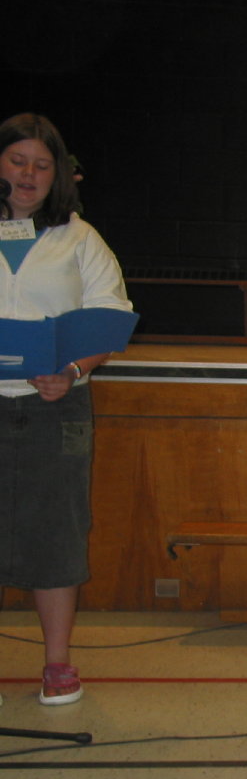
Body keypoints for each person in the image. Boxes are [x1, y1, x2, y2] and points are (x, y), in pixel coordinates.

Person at [0, 114, 133, 706]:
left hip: (57, 406)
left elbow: (110, 319)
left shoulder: (80, 238)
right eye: (17, 160)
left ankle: (57, 665)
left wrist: (75, 370)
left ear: (58, 177)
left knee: (57, 534)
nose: (28, 174)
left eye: (41, 165)